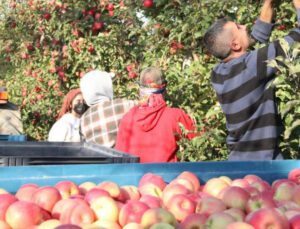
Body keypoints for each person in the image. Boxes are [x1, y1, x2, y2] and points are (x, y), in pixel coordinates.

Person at [203, 0, 300, 160]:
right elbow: (297, 38)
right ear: (235, 45)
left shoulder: (218, 74)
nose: (245, 26)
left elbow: (257, 38)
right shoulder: (253, 65)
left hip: (237, 160)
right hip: (263, 162)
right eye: (239, 27)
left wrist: (269, 3)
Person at [115, 67, 197, 163]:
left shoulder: (128, 118)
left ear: (140, 90)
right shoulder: (175, 116)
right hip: (167, 176)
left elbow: (119, 157)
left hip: (134, 176)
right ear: (164, 89)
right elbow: (200, 140)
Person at [79, 70, 136, 147]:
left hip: (98, 158)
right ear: (106, 87)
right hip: (124, 157)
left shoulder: (83, 120)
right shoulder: (125, 105)